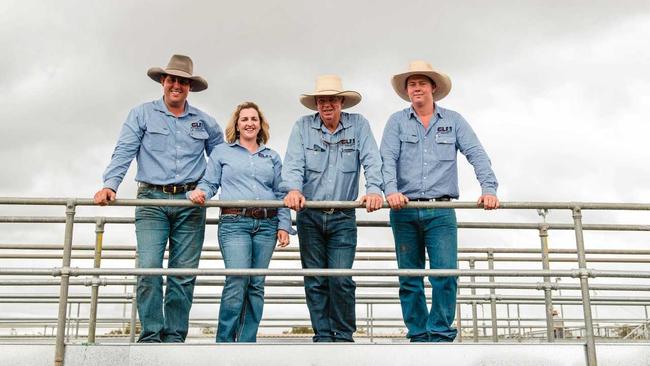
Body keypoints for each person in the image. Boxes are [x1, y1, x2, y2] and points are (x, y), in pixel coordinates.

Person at [94, 54, 224, 343]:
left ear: (190, 87)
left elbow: (222, 161)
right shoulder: (141, 114)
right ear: (163, 82)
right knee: (149, 268)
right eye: (172, 79)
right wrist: (110, 185)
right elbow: (124, 150)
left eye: (183, 81)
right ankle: (151, 334)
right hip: (151, 200)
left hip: (191, 202)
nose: (177, 85)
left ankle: (175, 337)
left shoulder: (205, 122)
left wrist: (208, 189)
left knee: (183, 273)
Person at [380, 60, 499, 342]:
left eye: (421, 83)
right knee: (410, 278)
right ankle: (419, 335)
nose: (416, 88)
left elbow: (476, 154)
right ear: (407, 91)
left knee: (445, 274)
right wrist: (391, 191)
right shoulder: (396, 121)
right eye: (412, 84)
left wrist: (489, 188)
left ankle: (441, 333)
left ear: (433, 87)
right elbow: (387, 159)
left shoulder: (453, 121)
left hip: (441, 210)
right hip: (404, 209)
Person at [281, 75, 383, 342]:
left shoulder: (359, 125)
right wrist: (292, 189)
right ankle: (323, 336)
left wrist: (374, 189)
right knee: (315, 279)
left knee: (341, 279)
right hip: (309, 214)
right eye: (321, 100)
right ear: (316, 103)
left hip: (342, 215)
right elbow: (292, 163)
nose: (327, 105)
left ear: (341, 101)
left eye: (332, 99)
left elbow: (372, 159)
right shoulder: (302, 127)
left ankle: (343, 335)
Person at [187, 102, 294, 342]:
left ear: (260, 124)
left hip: (267, 224)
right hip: (234, 222)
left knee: (256, 284)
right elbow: (210, 183)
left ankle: (247, 343)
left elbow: (281, 193)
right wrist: (198, 192)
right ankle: (224, 343)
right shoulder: (222, 153)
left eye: (254, 119)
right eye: (244, 119)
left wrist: (284, 225)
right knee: (237, 280)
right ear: (236, 124)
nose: (249, 123)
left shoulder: (272, 156)